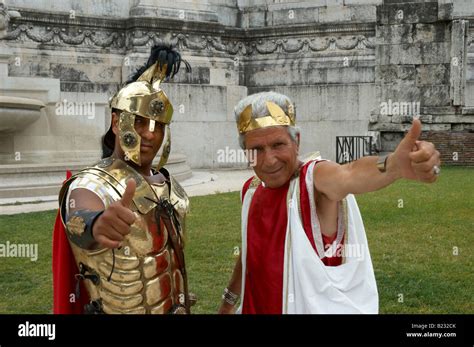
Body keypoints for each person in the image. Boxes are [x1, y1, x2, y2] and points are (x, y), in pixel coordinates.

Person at [218, 91, 441, 314]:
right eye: (256, 149)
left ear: (296, 142)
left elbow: (348, 173)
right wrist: (228, 302)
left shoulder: (313, 181)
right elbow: (251, 250)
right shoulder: (251, 189)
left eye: (278, 144)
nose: (269, 160)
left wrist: (391, 166)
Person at [52, 45, 194, 314]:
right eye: (139, 122)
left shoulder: (171, 187)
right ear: (117, 123)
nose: (150, 135)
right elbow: (80, 214)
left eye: (157, 125)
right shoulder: (92, 184)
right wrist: (97, 225)